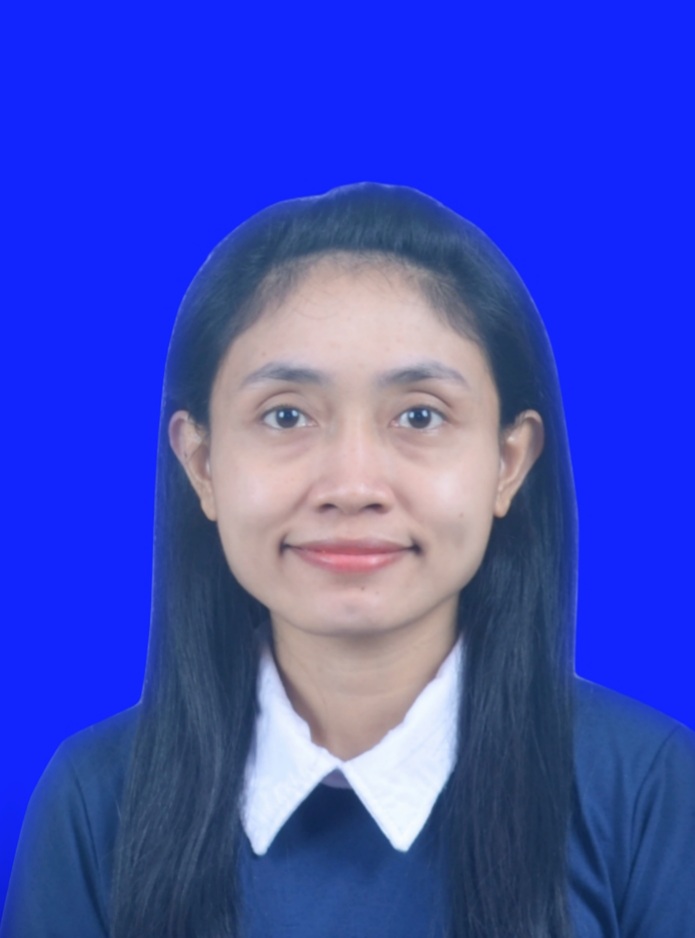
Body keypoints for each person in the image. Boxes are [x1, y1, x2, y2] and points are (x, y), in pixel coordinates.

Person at [2, 183, 694, 938]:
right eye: (286, 415)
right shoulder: (95, 803)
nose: (352, 486)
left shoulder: (647, 790)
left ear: (508, 462)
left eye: (420, 415)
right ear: (201, 463)